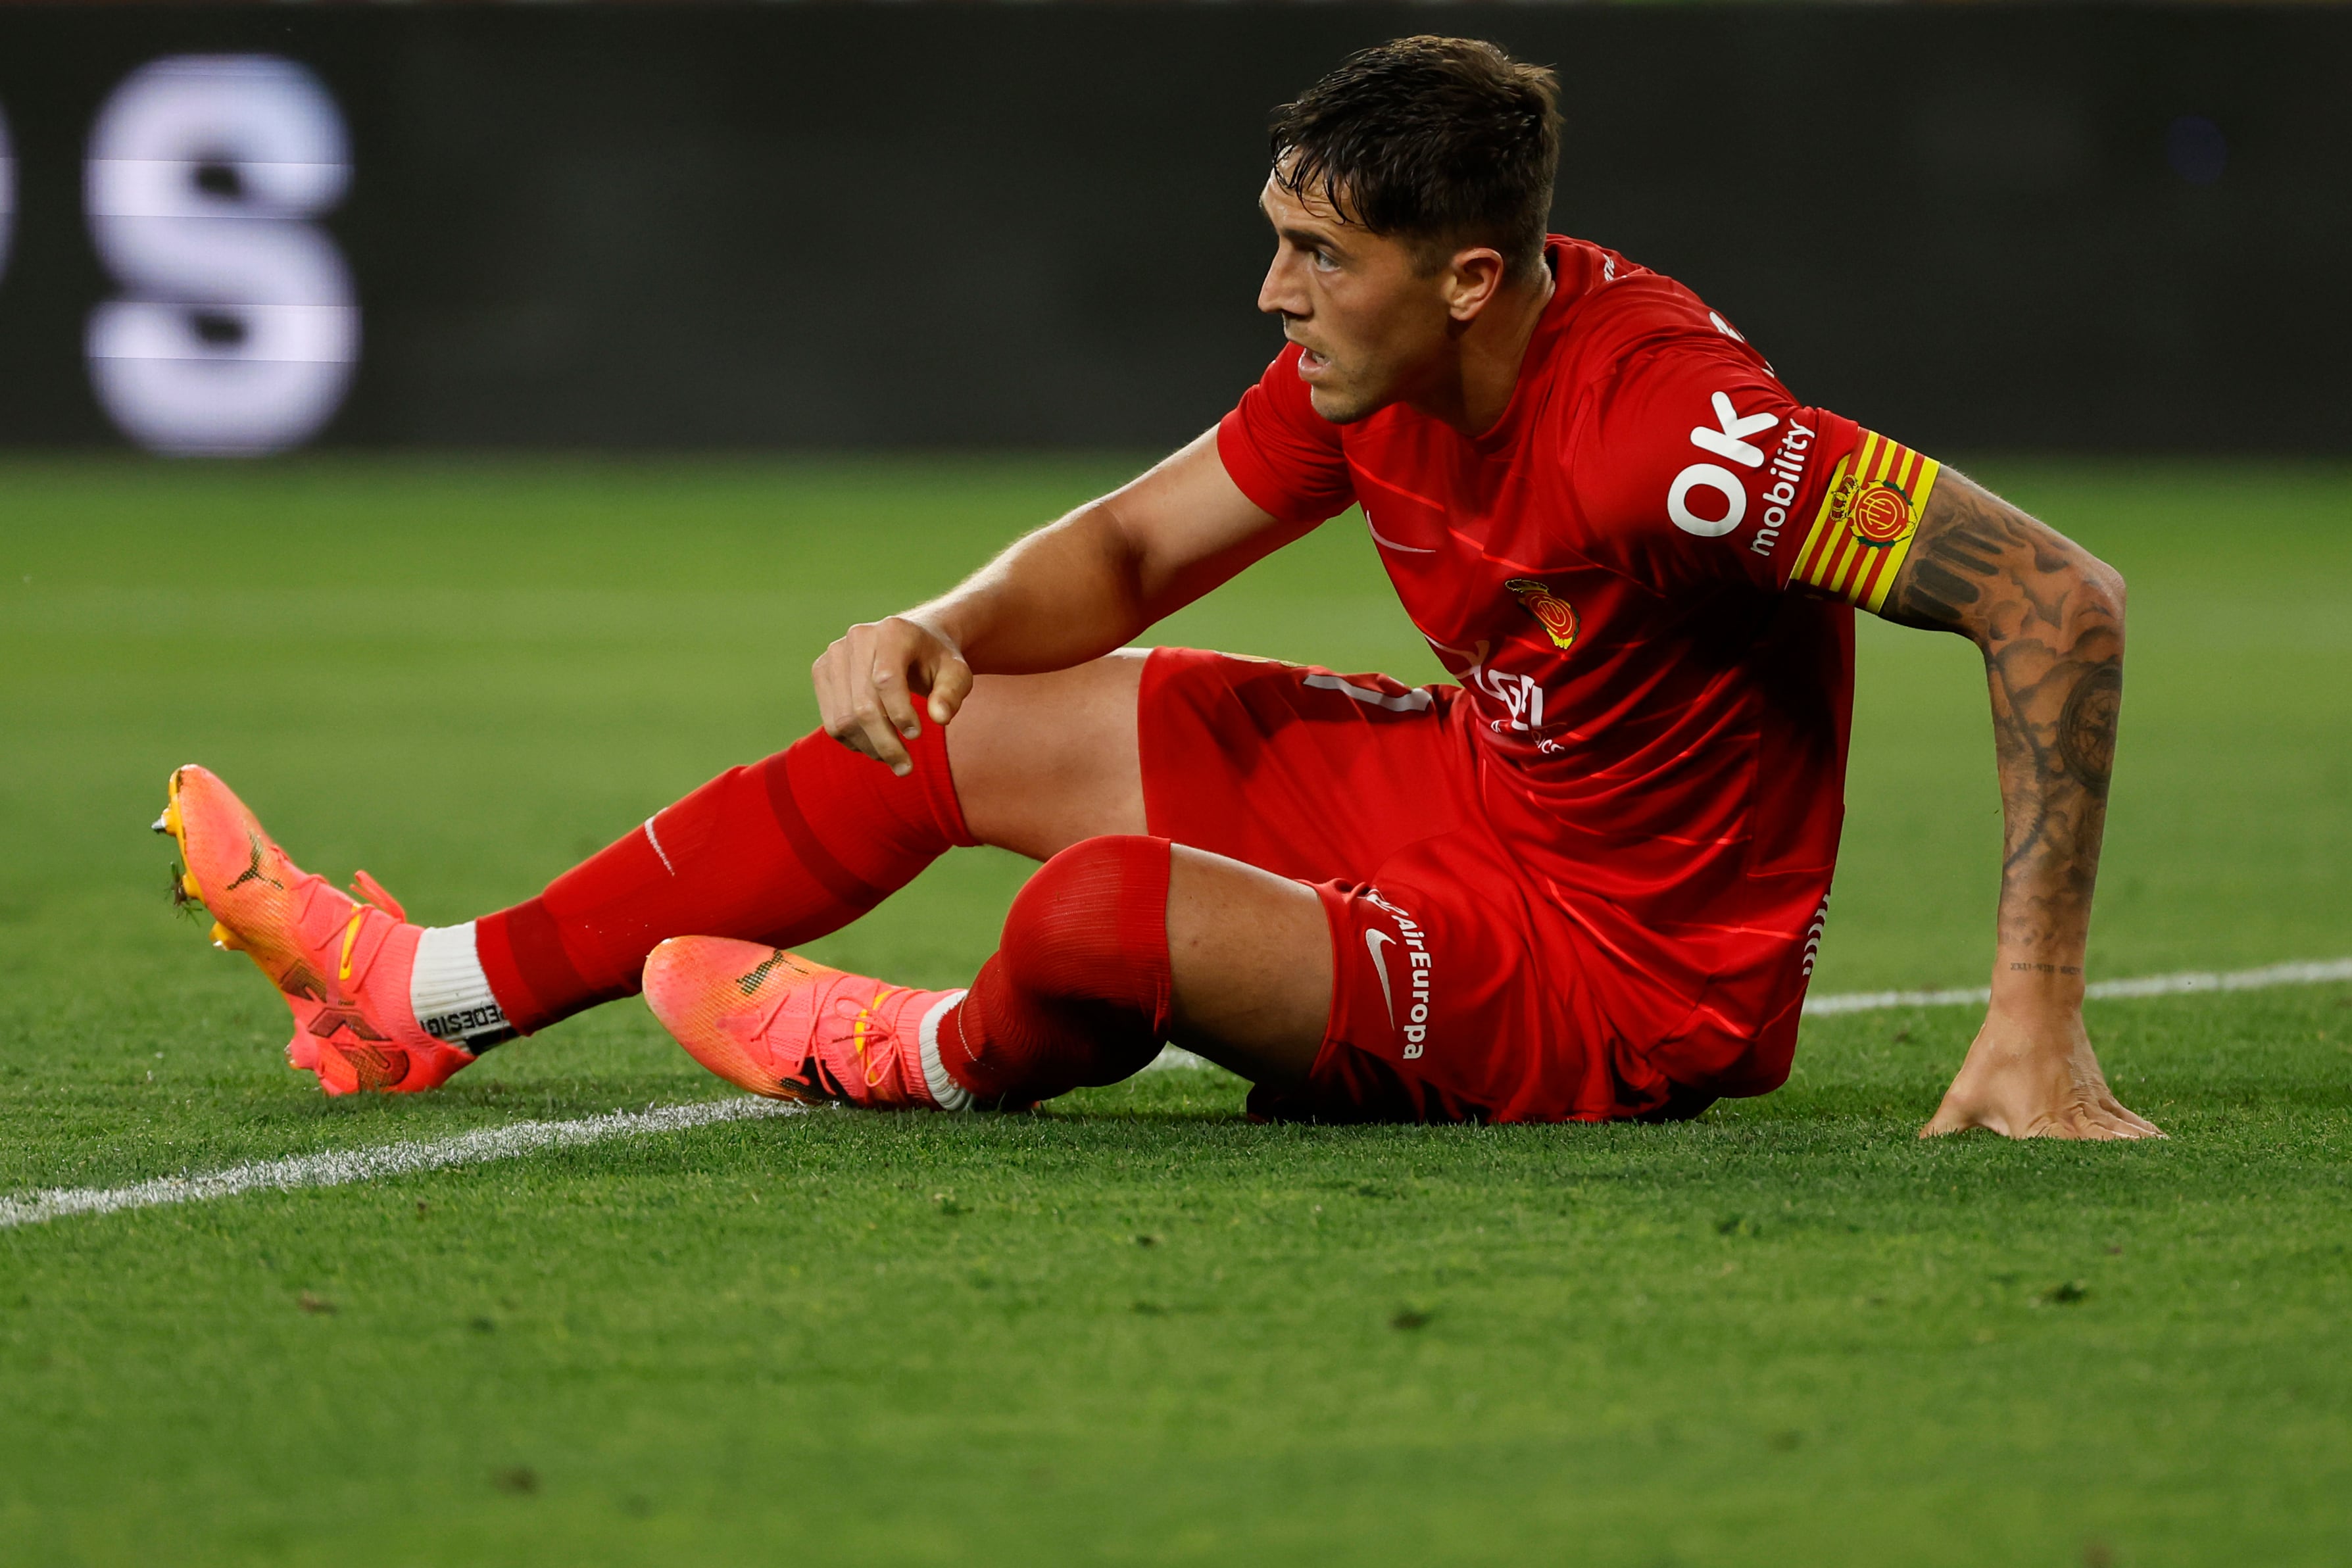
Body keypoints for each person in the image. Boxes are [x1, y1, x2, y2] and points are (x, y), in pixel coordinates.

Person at [159, 36, 2157, 1139]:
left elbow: (2057, 598)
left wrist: (2036, 1023)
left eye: (1318, 255)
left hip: (1621, 981)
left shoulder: (1671, 432)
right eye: (1277, 237)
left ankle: (918, 1052)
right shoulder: (1370, 367)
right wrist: (939, 623)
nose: (1274, 291)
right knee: (973, 726)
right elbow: (1128, 549)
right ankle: (428, 993)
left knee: (1106, 913)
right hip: (1484, 795)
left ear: (1472, 280)